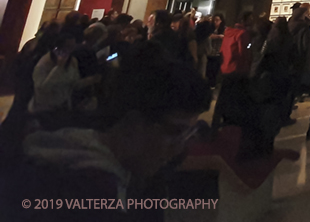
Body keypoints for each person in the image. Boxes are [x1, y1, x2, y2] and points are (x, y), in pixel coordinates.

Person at [2, 44, 211, 219]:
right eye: (175, 132)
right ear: (135, 123)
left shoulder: (64, 145)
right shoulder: (92, 199)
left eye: (188, 135)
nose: (180, 148)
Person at [30, 34, 98, 123]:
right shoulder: (44, 63)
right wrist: (58, 68)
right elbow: (43, 88)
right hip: (44, 110)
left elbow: (73, 84)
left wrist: (90, 80)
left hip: (63, 108)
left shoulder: (72, 61)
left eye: (72, 47)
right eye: (67, 47)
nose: (70, 50)